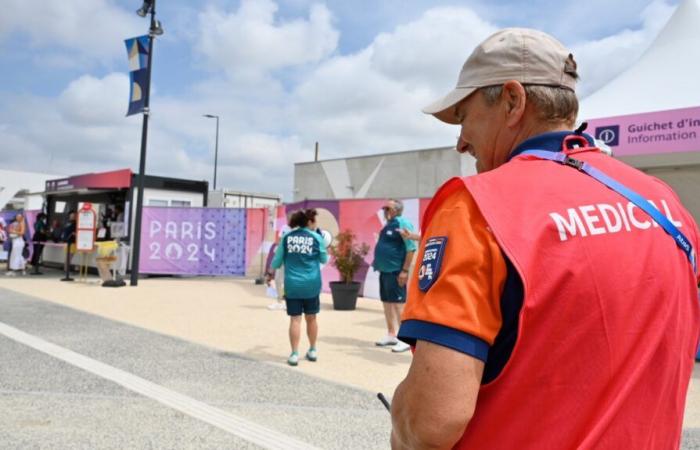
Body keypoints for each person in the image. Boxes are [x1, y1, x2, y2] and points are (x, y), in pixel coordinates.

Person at [391, 28, 700, 449]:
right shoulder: (664, 204)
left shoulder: (477, 208)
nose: (461, 142)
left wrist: (402, 414)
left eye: (464, 117)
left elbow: (431, 423)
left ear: (513, 102)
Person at [268, 209, 328, 366]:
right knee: (312, 318)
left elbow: (276, 261)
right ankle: (313, 350)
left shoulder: (287, 237)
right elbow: (323, 259)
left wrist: (270, 272)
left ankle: (294, 353)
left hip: (293, 285)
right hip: (312, 284)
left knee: (295, 319)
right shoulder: (316, 237)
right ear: (308, 222)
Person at [372, 199, 417, 353]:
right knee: (386, 302)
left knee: (399, 305)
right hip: (384, 271)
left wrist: (404, 271)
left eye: (389, 208)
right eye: (385, 209)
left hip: (396, 271)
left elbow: (411, 248)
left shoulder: (402, 223)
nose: (386, 211)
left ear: (397, 210)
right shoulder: (387, 225)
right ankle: (391, 334)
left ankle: (404, 339)